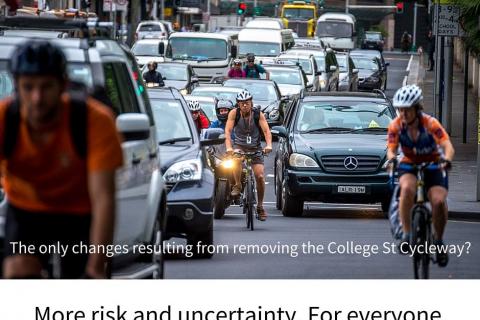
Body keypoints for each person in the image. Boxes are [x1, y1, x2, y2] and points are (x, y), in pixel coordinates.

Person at [1, 41, 123, 278]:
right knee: (18, 271)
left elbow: (104, 198)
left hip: (79, 212)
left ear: (63, 86)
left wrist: (96, 266)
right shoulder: (5, 119)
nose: (37, 98)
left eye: (46, 87)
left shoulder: (94, 121)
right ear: (16, 87)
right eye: (28, 87)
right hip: (26, 210)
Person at [387, 84, 454, 267]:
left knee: (438, 201)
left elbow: (448, 146)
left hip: (433, 163)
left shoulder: (431, 124)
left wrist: (446, 160)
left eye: (407, 110)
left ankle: (439, 242)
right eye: (400, 110)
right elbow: (391, 150)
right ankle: (408, 235)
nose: (403, 114)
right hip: (409, 163)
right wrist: (392, 160)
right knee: (407, 188)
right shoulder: (395, 126)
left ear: (417, 109)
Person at [224, 89, 272, 221]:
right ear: (238, 104)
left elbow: (267, 131)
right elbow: (227, 132)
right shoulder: (234, 113)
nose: (245, 105)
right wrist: (229, 147)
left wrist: (268, 145)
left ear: (251, 103)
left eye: (247, 103)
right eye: (242, 103)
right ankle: (238, 184)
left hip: (256, 148)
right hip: (240, 147)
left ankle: (260, 206)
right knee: (236, 160)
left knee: (260, 176)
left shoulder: (258, 114)